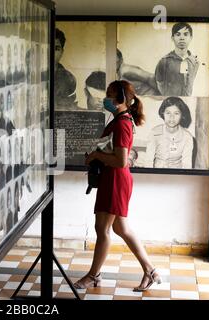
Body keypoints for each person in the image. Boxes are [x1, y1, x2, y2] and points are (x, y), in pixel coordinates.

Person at [74, 80, 162, 292]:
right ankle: (150, 271)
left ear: (122, 99)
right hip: (113, 179)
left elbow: (121, 161)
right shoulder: (120, 119)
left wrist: (96, 155)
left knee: (102, 229)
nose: (107, 98)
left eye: (111, 95)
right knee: (121, 228)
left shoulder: (122, 123)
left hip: (116, 179)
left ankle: (93, 275)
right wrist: (98, 157)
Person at [145, 96, 194, 169]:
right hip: (157, 171)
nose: (172, 117)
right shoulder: (154, 133)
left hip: (177, 173)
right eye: (168, 113)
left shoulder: (187, 137)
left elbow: (187, 165)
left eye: (176, 113)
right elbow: (148, 161)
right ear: (163, 113)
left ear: (182, 115)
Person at [155, 22, 200, 96]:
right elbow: (160, 85)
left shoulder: (195, 62)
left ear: (191, 37)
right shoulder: (164, 61)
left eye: (185, 34)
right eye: (178, 34)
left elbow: (190, 85)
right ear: (172, 38)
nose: (182, 38)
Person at [54, 28, 77, 110]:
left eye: (56, 48)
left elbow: (71, 107)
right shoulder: (29, 75)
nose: (51, 53)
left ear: (62, 52)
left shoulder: (69, 79)